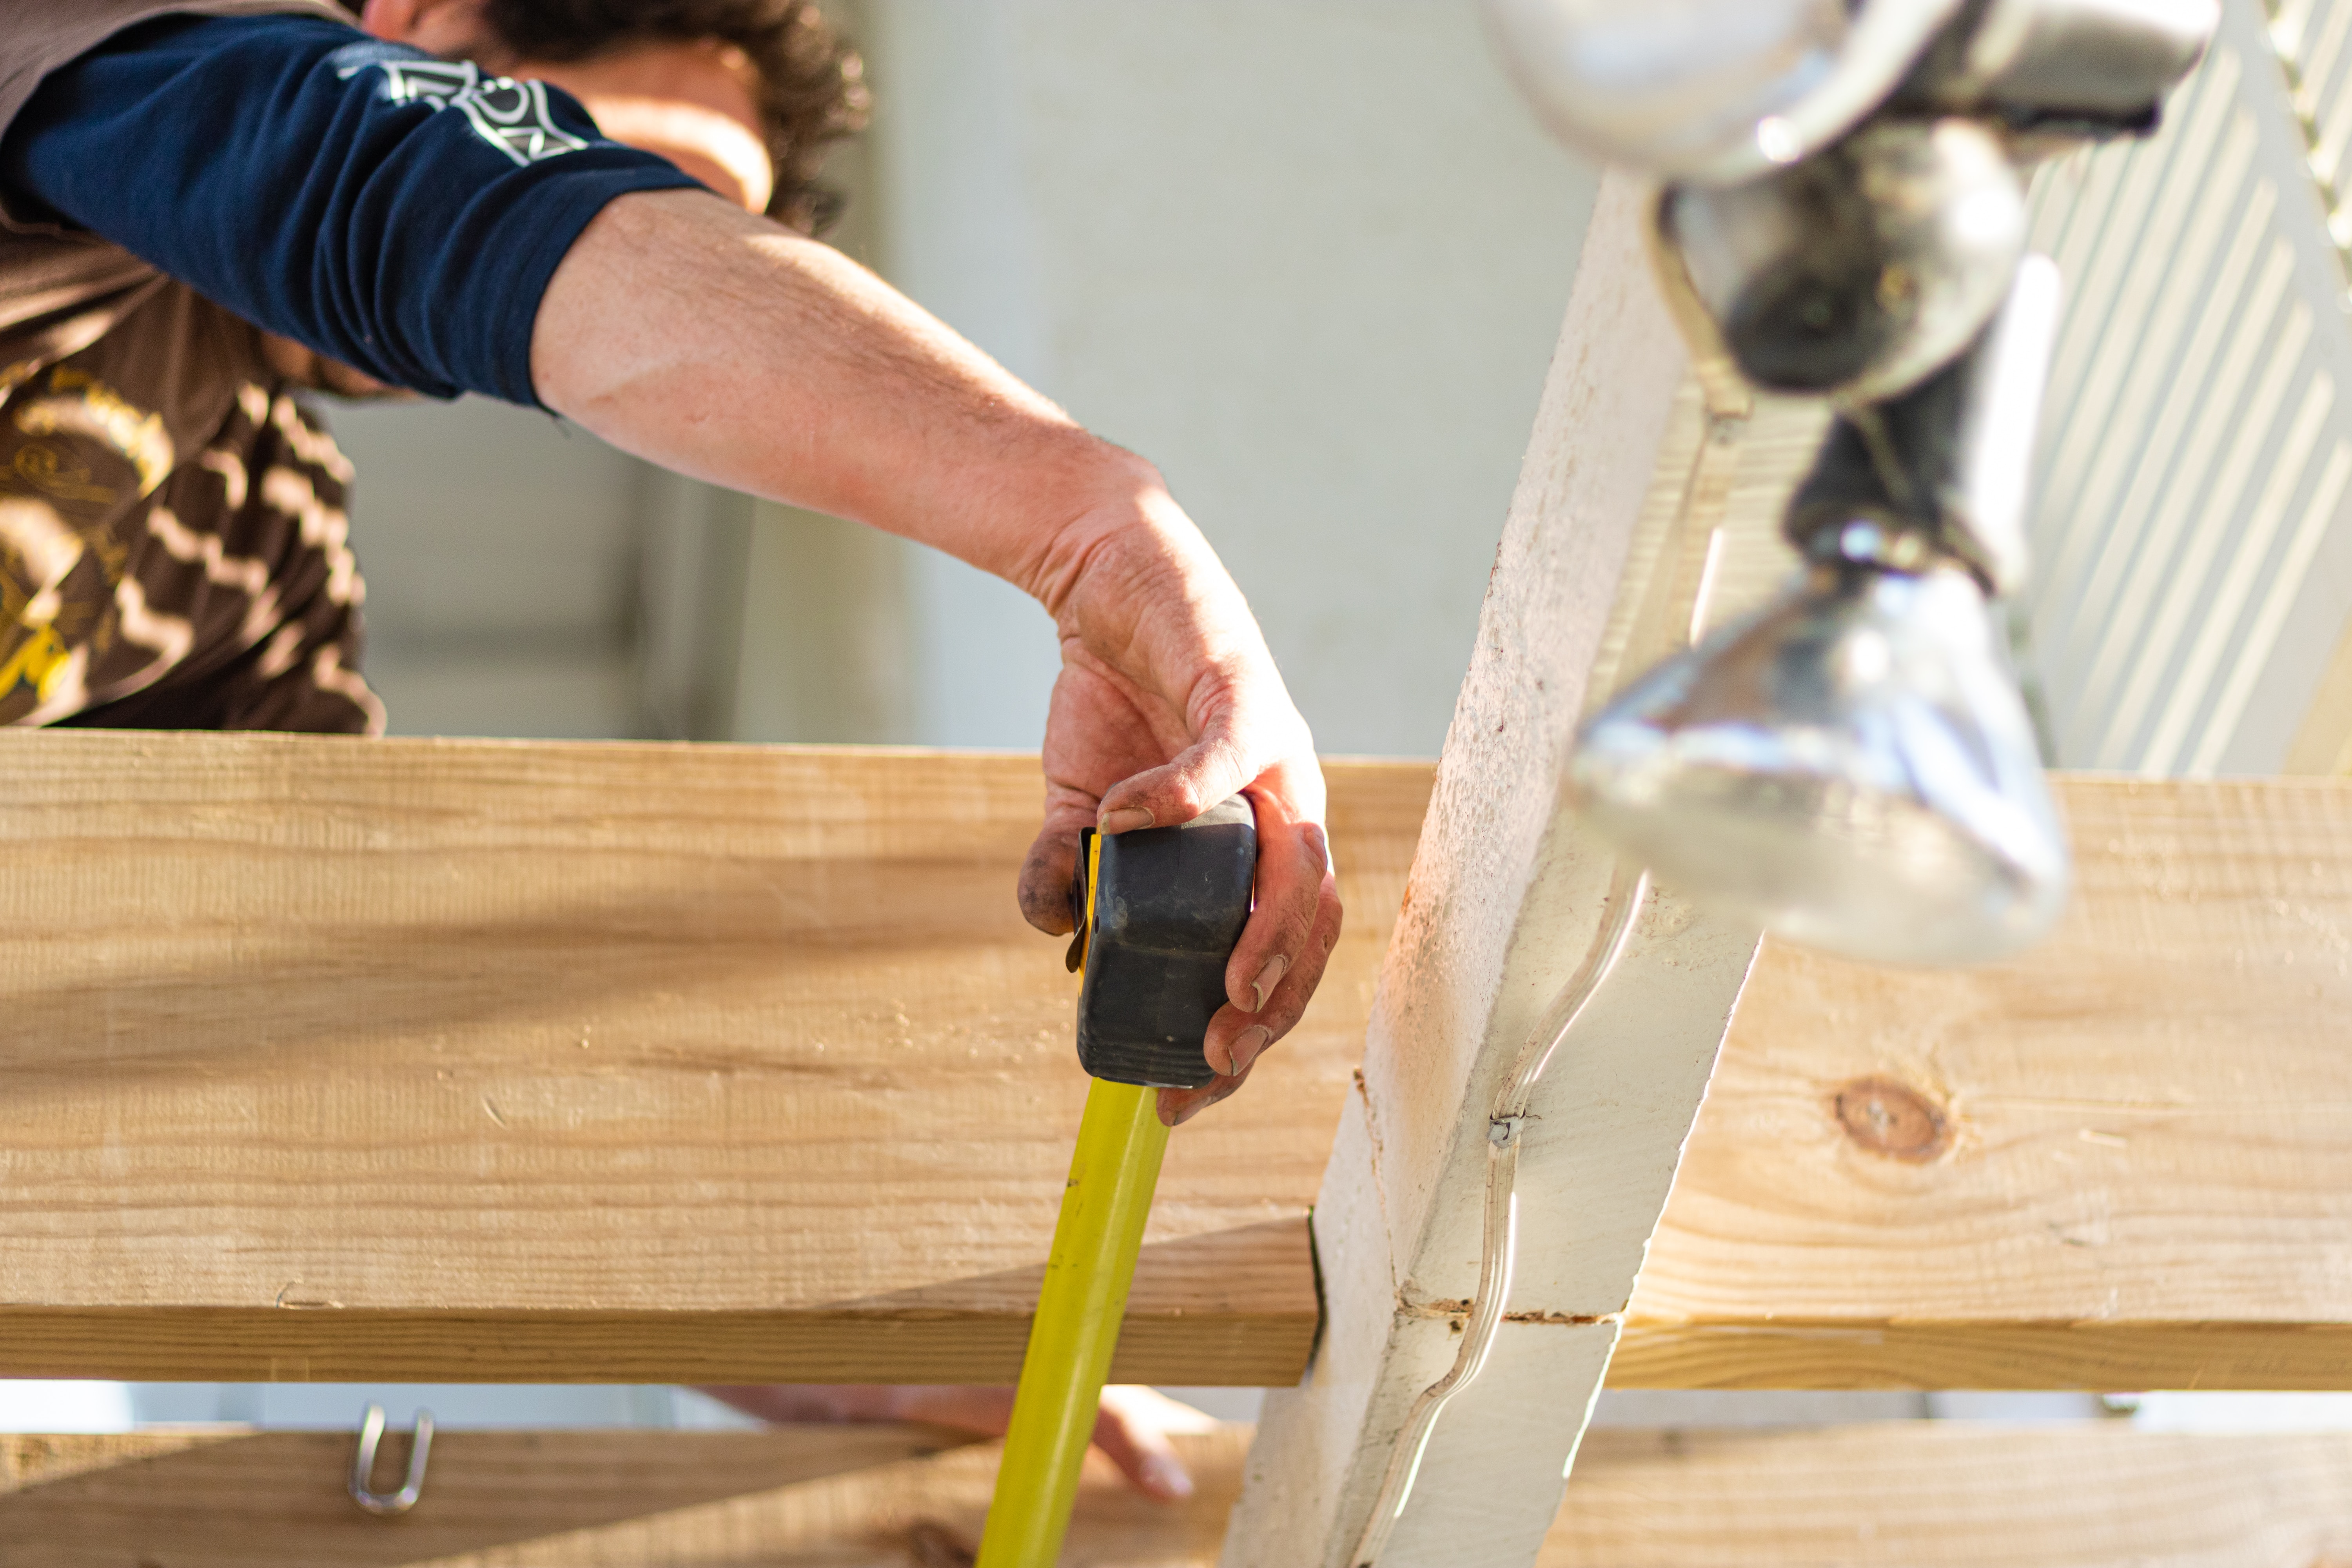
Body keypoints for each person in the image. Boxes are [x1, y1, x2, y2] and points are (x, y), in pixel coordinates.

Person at [0, 0, 1343, 1500]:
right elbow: (402, 180)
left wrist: (806, 1336)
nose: (652, 276)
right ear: (422, 27)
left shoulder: (251, 546)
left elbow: (341, 1044)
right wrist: (1090, 525)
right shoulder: (91, 50)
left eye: (711, 233)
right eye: (610, 169)